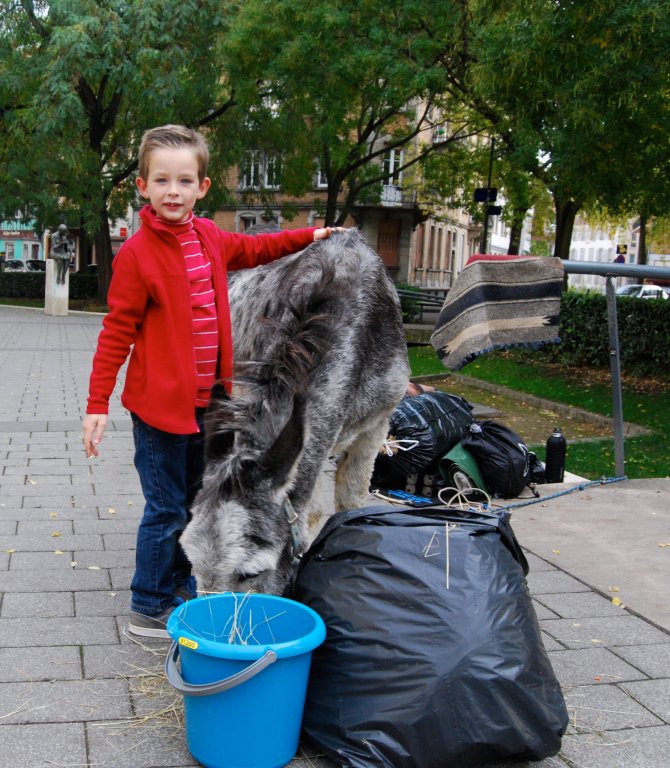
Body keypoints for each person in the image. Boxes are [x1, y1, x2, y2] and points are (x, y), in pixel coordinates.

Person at [82, 124, 340, 638]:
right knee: (165, 507)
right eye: (161, 181)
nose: (171, 192)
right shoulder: (135, 256)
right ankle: (148, 602)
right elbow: (116, 334)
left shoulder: (210, 237)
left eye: (183, 181)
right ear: (143, 186)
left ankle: (178, 586)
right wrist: (96, 403)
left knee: (196, 502)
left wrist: (310, 236)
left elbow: (256, 248)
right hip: (158, 412)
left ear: (202, 187)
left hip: (209, 408)